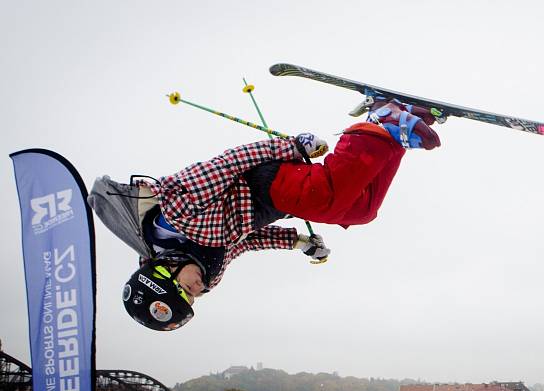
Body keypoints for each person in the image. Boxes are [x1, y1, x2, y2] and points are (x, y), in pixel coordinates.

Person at [88, 99, 441, 331]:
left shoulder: (177, 215)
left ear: (164, 270)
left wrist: (290, 146)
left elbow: (225, 165)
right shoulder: (208, 270)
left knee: (327, 199)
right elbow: (244, 242)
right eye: (193, 297)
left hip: (260, 180)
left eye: (186, 289)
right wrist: (298, 242)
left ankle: (380, 121)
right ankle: (393, 135)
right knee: (361, 211)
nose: (198, 289)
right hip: (272, 206)